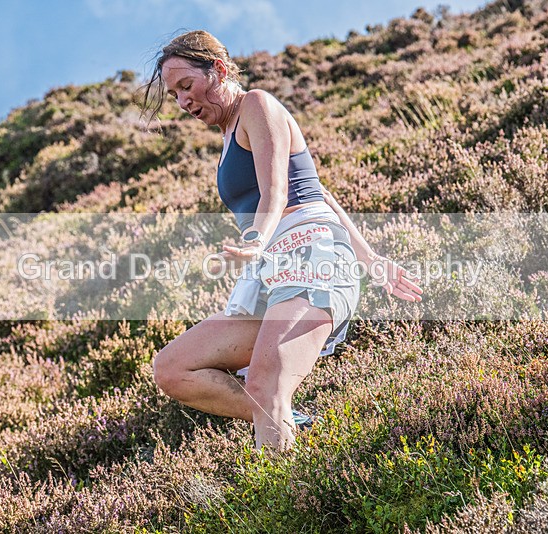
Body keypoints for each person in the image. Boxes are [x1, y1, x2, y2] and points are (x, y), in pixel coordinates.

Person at [141, 30, 422, 450]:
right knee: (173, 368)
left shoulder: (256, 104)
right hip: (274, 267)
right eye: (175, 95)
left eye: (186, 86)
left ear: (217, 70)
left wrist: (255, 239)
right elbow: (320, 190)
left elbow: (281, 192)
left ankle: (282, 493)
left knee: (266, 379)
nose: (183, 102)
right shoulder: (227, 136)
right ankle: (289, 419)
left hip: (311, 251)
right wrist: (370, 257)